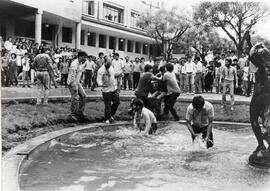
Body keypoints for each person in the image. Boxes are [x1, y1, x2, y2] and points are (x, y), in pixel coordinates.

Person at [97, 56, 120, 124]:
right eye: (108, 62)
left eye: (110, 62)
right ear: (105, 61)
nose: (109, 64)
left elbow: (113, 75)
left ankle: (109, 116)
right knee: (108, 105)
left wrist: (118, 75)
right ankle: (108, 118)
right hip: (106, 90)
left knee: (117, 102)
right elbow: (98, 80)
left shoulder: (111, 67)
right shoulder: (101, 70)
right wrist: (101, 84)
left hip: (113, 88)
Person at [67, 51, 88, 119]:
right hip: (72, 82)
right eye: (84, 58)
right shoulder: (74, 64)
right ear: (80, 57)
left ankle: (80, 112)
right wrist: (74, 85)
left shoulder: (80, 63)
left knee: (83, 96)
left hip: (77, 82)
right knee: (75, 97)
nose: (85, 59)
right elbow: (72, 75)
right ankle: (73, 114)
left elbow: (79, 73)